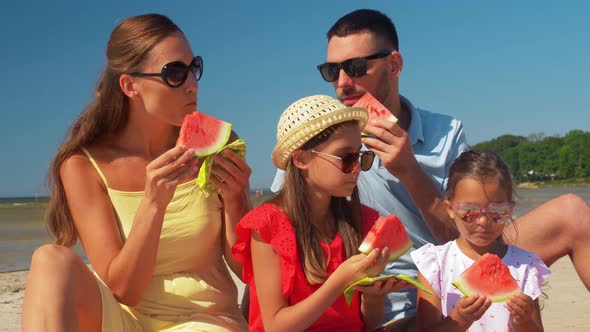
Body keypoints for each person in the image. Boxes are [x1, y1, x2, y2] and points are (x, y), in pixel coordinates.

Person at [271, 8, 590, 329]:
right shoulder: (316, 140)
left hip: (453, 266)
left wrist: (409, 170)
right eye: (331, 70)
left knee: (573, 212)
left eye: (354, 68)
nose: (342, 83)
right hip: (381, 300)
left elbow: (465, 234)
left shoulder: (446, 133)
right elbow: (273, 239)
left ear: (394, 65)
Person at [21, 13, 251, 331]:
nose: (193, 85)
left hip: (204, 320)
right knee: (49, 261)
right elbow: (124, 290)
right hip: (124, 319)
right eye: (175, 73)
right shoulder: (82, 166)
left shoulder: (217, 145)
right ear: (131, 86)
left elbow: (247, 272)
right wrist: (153, 204)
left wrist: (237, 199)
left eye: (193, 67)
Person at [233, 95, 412, 331]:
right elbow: (276, 326)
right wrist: (339, 281)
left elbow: (367, 322)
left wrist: (373, 296)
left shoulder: (361, 220)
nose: (357, 168)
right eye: (347, 158)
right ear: (302, 159)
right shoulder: (267, 226)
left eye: (361, 157)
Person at [412, 150, 550, 331]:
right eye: (469, 211)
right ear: (450, 208)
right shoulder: (434, 263)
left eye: (497, 212)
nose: (483, 222)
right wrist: (459, 320)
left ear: (509, 210)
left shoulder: (524, 265)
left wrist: (523, 322)